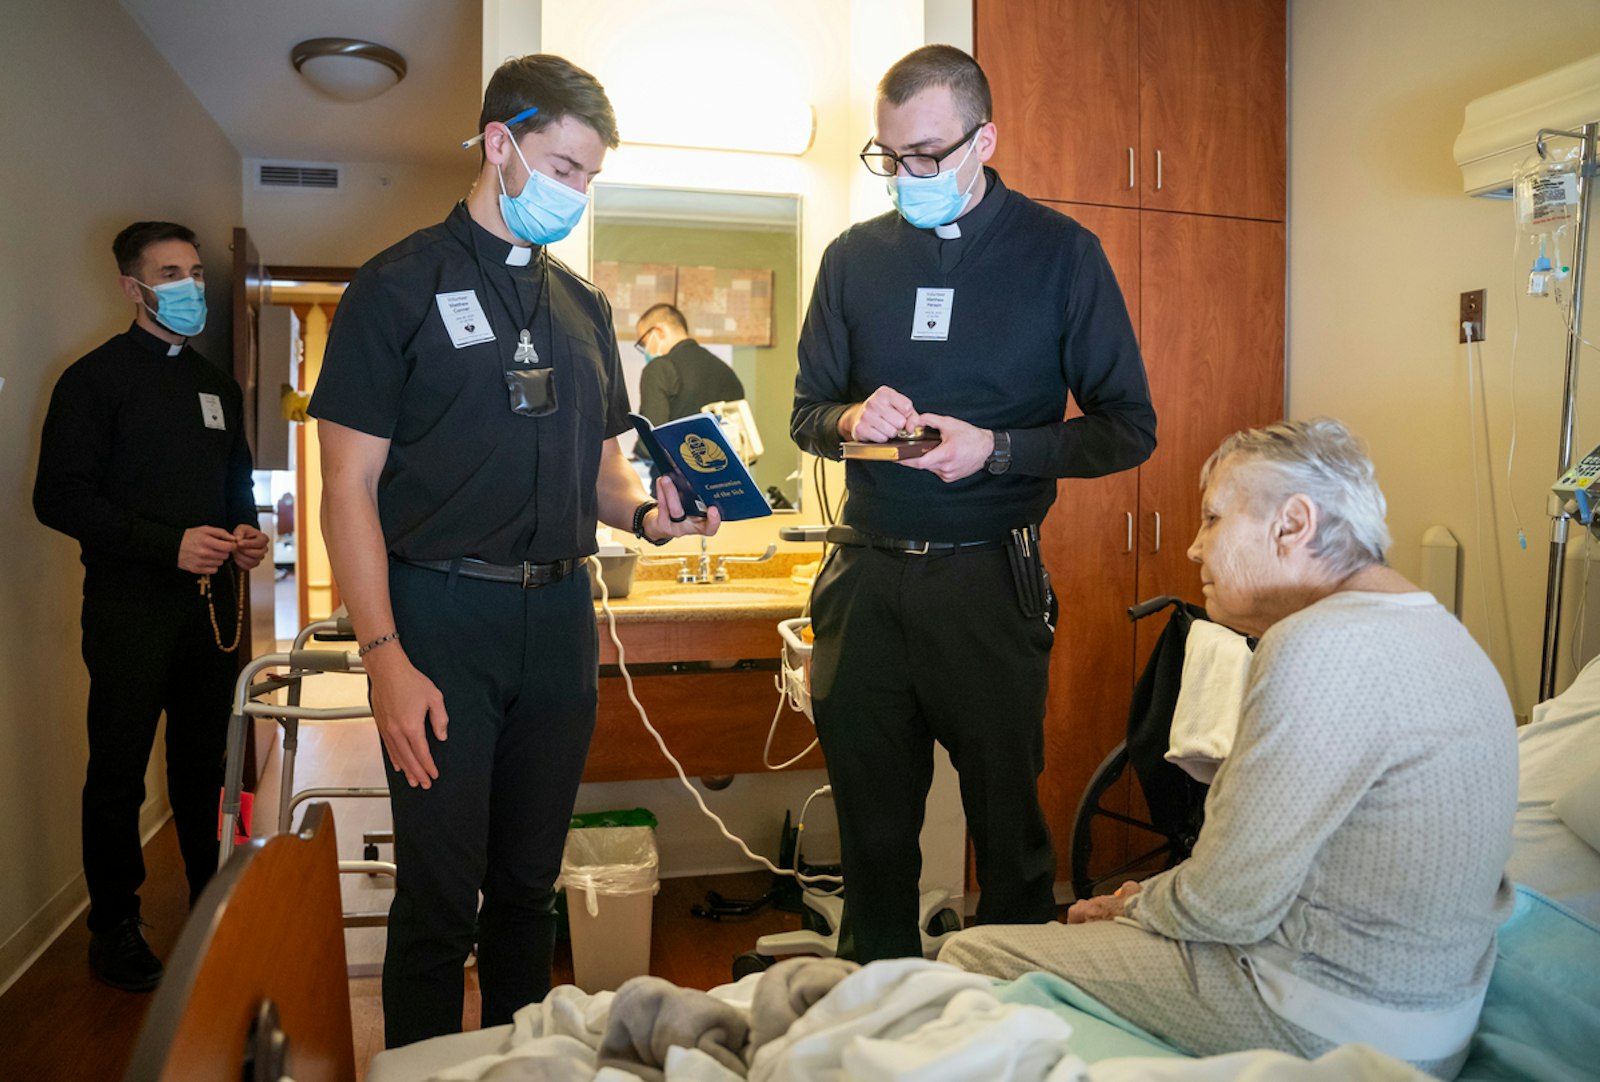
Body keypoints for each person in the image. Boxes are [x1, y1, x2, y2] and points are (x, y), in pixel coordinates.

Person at [309, 54, 718, 1047]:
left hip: (557, 622)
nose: (578, 194)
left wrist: (649, 516)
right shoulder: (395, 287)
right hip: (440, 618)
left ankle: (523, 1067)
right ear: (501, 145)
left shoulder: (584, 309)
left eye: (590, 176)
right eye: (565, 167)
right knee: (442, 897)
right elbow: (346, 491)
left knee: (530, 891)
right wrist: (383, 657)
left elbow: (599, 472)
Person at [940, 419, 1518, 1079]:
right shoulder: (1447, 634)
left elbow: (1225, 907)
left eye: (1213, 519)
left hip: (1338, 1022)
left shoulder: (1316, 647)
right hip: (1436, 1019)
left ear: (1292, 525)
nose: (1192, 549)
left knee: (972, 956)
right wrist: (1154, 899)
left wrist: (1129, 905)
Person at [790, 44, 1156, 963]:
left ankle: (1011, 1030)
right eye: (888, 156)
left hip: (990, 581)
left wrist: (997, 449)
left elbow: (1128, 428)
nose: (904, 176)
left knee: (1011, 840)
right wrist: (849, 419)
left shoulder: (1062, 256)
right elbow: (806, 413)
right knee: (872, 848)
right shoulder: (851, 260)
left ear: (983, 140)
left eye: (926, 154)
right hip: (866, 580)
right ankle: (866, 1036)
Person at [34, 221, 268, 992]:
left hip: (209, 613)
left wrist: (246, 533)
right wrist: (162, 543)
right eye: (171, 273)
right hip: (129, 609)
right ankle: (115, 926)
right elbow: (57, 496)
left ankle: (211, 907)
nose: (191, 287)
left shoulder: (215, 386)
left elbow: (236, 484)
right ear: (132, 287)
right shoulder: (92, 382)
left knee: (204, 770)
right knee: (119, 775)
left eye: (196, 272)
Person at [634, 303, 746, 427]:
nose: (646, 351)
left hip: (678, 446)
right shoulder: (727, 373)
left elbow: (651, 437)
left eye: (644, 343)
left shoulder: (658, 369)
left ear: (659, 332)